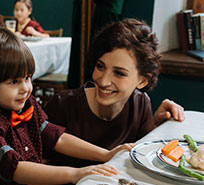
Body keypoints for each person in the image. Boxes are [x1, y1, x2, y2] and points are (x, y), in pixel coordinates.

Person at [0, 24, 136, 185]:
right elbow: (16, 169)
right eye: (14, 82)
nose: (26, 88)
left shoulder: (24, 104)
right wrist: (74, 173)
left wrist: (105, 154)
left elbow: (57, 137)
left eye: (27, 78)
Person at [44, 19, 185, 167]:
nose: (104, 81)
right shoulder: (62, 105)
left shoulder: (141, 103)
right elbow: (36, 167)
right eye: (100, 66)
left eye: (119, 73)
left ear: (142, 81)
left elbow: (137, 161)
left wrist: (154, 126)